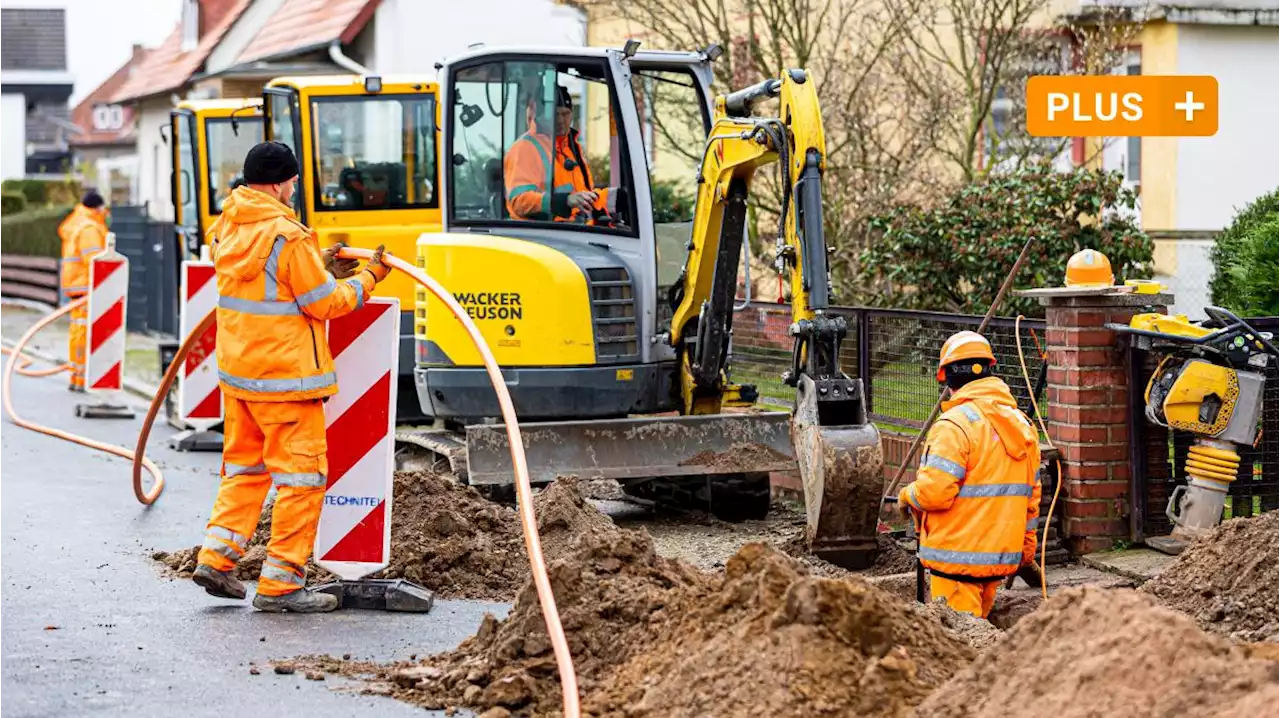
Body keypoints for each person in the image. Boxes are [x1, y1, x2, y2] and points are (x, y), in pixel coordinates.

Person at [191, 140, 390, 613]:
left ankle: (216, 559)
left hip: (240, 377)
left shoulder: (227, 225)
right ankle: (282, 586)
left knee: (245, 470)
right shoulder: (289, 234)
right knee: (301, 480)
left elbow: (265, 284)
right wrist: (368, 278)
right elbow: (324, 303)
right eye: (293, 183)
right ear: (282, 182)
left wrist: (319, 269)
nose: (293, 190)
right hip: (286, 381)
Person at [897, 331, 1042, 620]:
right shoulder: (1022, 425)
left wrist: (906, 495)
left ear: (947, 378)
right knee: (979, 636)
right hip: (997, 561)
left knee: (959, 646)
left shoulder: (954, 426)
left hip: (955, 564)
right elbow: (1031, 498)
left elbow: (934, 493)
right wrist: (1025, 551)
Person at [503, 84, 615, 223]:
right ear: (542, 115)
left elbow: (583, 197)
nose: (561, 120)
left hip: (577, 232)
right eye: (555, 115)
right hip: (548, 236)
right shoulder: (525, 148)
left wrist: (611, 198)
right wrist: (564, 201)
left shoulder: (573, 148)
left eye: (565, 114)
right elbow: (519, 202)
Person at [57, 190, 109, 392]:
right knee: (84, 333)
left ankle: (78, 377)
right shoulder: (89, 228)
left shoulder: (77, 223)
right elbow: (96, 262)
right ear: (97, 208)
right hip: (87, 287)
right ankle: (82, 377)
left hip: (78, 288)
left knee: (79, 332)